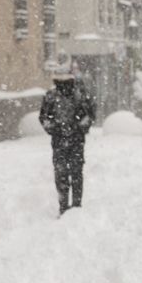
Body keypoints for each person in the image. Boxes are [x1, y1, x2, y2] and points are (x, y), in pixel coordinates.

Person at [39, 68, 95, 215]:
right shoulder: (52, 96)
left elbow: (89, 115)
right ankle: (66, 206)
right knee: (64, 174)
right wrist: (55, 129)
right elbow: (44, 118)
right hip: (62, 141)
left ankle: (74, 206)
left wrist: (79, 127)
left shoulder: (78, 95)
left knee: (72, 173)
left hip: (74, 141)